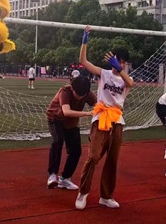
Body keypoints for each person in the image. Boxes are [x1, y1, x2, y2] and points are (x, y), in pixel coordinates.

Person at [75, 26, 134, 210]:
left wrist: (120, 69)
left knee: (112, 160)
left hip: (117, 121)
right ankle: (83, 192)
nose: (120, 63)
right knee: (93, 156)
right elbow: (83, 61)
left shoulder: (126, 79)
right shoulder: (103, 73)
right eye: (118, 60)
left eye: (123, 61)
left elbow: (130, 83)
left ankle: (106, 196)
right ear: (112, 59)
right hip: (101, 118)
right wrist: (84, 42)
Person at [45, 75, 97, 190]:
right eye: (77, 94)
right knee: (58, 141)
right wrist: (88, 113)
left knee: (76, 150)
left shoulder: (86, 92)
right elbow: (66, 112)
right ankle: (52, 175)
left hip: (71, 122)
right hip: (56, 119)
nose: (80, 97)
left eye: (83, 95)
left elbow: (97, 105)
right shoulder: (65, 91)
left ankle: (65, 179)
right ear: (73, 88)